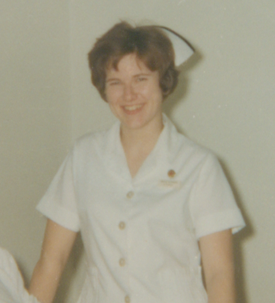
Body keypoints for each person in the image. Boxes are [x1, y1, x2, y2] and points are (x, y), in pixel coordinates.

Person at [29, 21, 245, 303]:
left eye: (141, 79)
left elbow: (219, 274)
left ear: (163, 81)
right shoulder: (82, 157)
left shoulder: (200, 166)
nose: (129, 95)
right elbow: (51, 261)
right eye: (116, 82)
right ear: (103, 89)